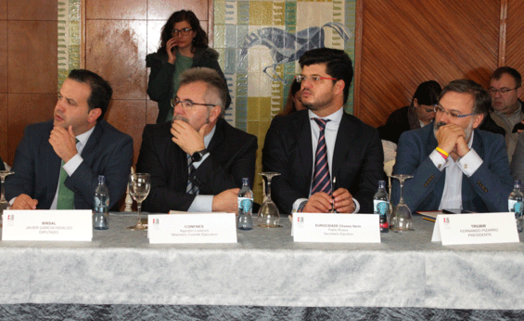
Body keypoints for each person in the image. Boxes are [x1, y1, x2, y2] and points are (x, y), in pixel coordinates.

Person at [263, 48, 384, 214]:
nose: (305, 85)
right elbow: (275, 182)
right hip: (295, 223)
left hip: (345, 226)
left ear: (338, 86)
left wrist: (354, 204)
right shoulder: (282, 128)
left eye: (316, 78)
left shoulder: (366, 136)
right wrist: (302, 205)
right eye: (303, 78)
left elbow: (373, 190)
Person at [5, 69, 133, 210]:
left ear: (93, 114)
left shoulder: (117, 144)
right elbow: (16, 181)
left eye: (70, 102)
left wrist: (71, 158)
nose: (59, 107)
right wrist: (18, 199)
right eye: (60, 97)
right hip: (43, 221)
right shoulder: (36, 134)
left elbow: (105, 201)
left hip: (89, 223)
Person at [137, 67, 257, 213]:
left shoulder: (241, 144)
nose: (178, 110)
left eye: (188, 104)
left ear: (213, 113)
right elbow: (149, 198)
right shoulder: (156, 136)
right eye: (177, 101)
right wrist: (212, 204)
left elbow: (239, 202)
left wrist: (199, 154)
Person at [392, 79, 512, 212]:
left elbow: (506, 206)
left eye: (454, 114)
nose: (442, 119)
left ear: (476, 120)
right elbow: (400, 203)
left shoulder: (492, 144)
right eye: (440, 109)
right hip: (425, 225)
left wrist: (467, 156)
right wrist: (441, 152)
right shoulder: (413, 140)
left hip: (473, 225)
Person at [146, 10, 230, 123]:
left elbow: (225, 99)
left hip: (199, 124)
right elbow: (155, 94)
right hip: (169, 123)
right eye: (175, 31)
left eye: (185, 30)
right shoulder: (160, 60)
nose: (180, 35)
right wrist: (170, 63)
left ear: (194, 33)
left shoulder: (207, 59)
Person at [487, 66, 524, 161]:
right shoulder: (480, 119)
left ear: (518, 92)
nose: (496, 95)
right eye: (493, 90)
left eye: (504, 90)